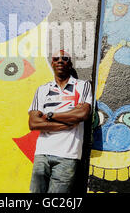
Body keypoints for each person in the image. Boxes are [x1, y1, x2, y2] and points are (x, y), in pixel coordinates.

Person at [28, 50, 93, 193]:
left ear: (70, 64)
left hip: (67, 155)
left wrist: (50, 115)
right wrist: (69, 120)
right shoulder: (42, 90)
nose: (60, 61)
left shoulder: (82, 86)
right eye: (56, 59)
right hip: (42, 153)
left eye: (64, 59)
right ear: (52, 64)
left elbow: (83, 113)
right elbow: (33, 123)